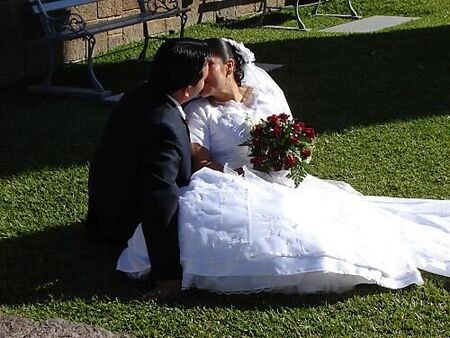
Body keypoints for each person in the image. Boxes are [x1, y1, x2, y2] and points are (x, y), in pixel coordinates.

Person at [117, 38, 450, 295]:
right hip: (234, 181)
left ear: (230, 66)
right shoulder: (200, 110)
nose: (203, 75)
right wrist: (233, 171)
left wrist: (290, 154)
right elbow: (198, 154)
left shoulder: (262, 95)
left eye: (210, 66)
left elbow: (290, 131)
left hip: (279, 177)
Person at [86, 38, 210, 297]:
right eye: (204, 75)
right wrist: (167, 277)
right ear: (187, 91)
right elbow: (159, 200)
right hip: (127, 224)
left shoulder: (139, 94)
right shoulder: (163, 126)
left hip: (106, 207)